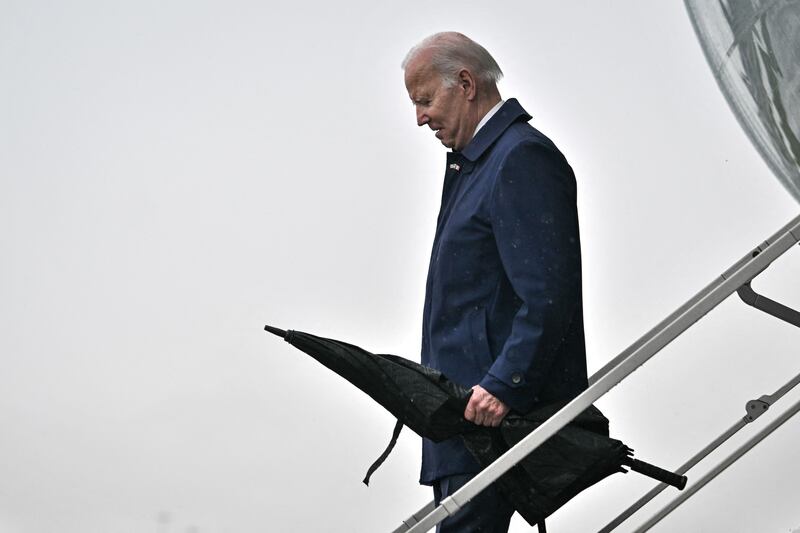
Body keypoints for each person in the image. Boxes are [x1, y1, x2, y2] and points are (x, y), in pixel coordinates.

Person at [402, 32, 589, 532]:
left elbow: (549, 293)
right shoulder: (477, 166)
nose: (420, 117)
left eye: (425, 100)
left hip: (490, 420)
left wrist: (505, 383)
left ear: (464, 83)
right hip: (468, 421)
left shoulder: (519, 157)